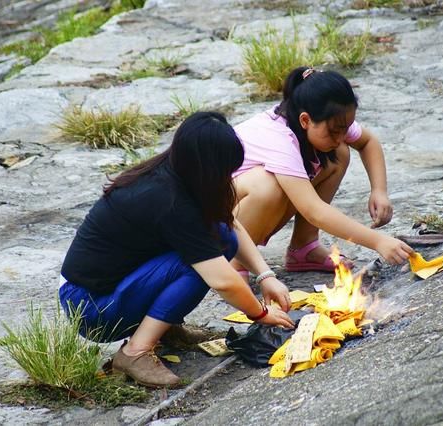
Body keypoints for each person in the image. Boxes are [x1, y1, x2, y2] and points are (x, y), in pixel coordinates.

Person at [59, 112, 294, 389]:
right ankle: (135, 352)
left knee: (221, 238)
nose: (228, 177)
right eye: (224, 171)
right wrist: (261, 314)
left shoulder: (181, 171)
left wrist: (265, 275)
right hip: (90, 307)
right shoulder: (168, 199)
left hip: (113, 288)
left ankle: (166, 328)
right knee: (195, 265)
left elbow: (228, 223)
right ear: (207, 167)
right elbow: (223, 281)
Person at [231, 66, 414, 276]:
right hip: (210, 225)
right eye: (334, 131)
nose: (340, 137)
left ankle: (303, 248)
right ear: (305, 120)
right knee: (267, 185)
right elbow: (314, 210)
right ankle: (235, 263)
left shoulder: (327, 121)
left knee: (339, 154)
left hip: (236, 213)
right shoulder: (278, 138)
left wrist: (379, 190)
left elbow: (368, 142)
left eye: (345, 129)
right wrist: (378, 241)